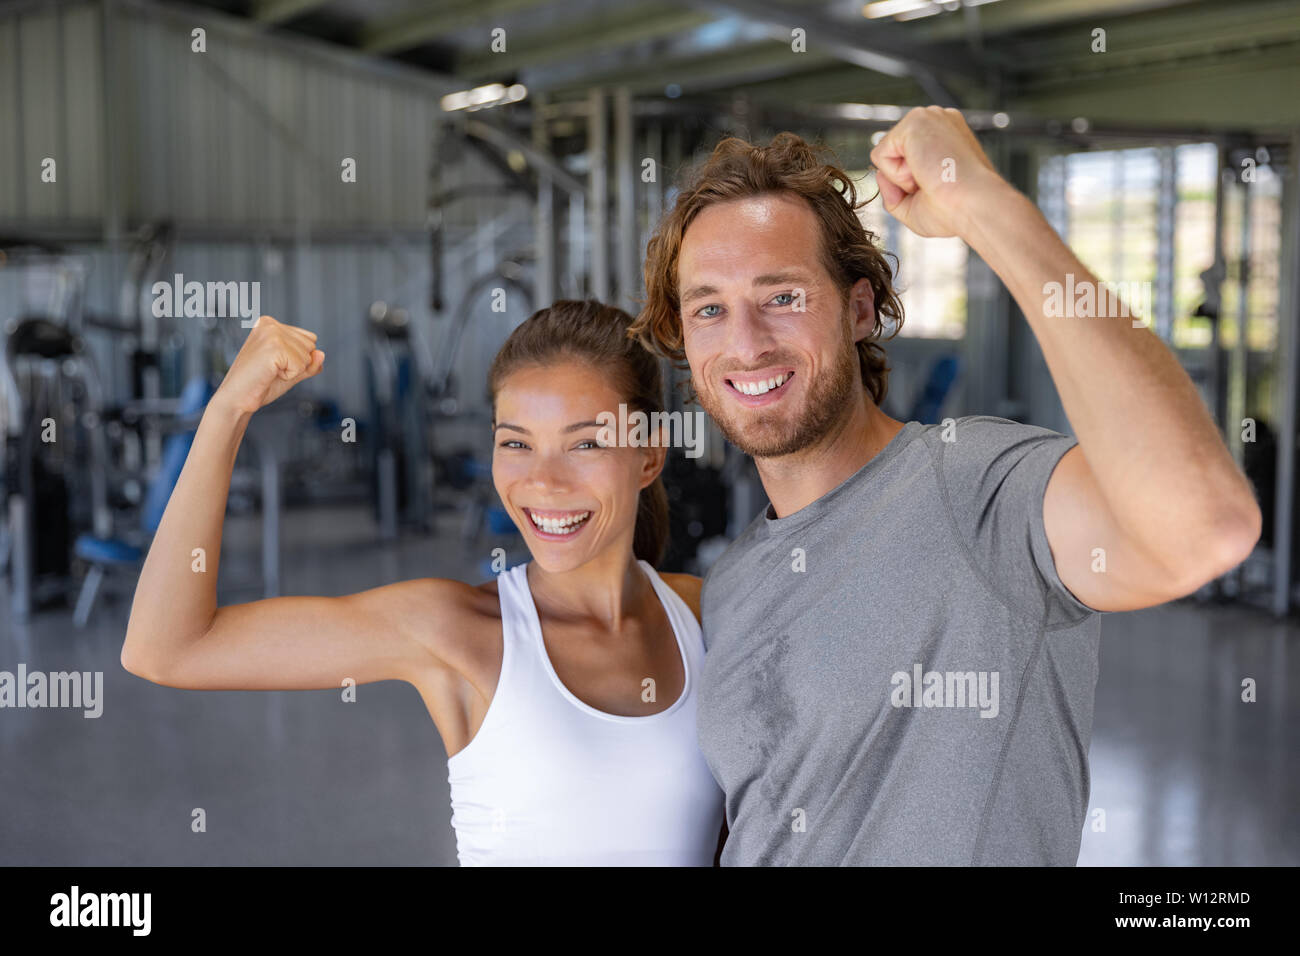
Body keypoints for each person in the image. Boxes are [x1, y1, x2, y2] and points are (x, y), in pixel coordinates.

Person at [629, 107, 1262, 865]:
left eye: (784, 297)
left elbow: (1205, 525)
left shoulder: (977, 490)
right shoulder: (729, 588)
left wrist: (985, 204)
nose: (746, 342)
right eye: (709, 309)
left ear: (859, 309)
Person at [120, 298, 725, 866]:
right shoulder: (455, 632)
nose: (544, 481)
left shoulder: (703, 617)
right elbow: (167, 647)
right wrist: (230, 409)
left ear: (649, 455)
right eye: (516, 443)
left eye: (586, 443)